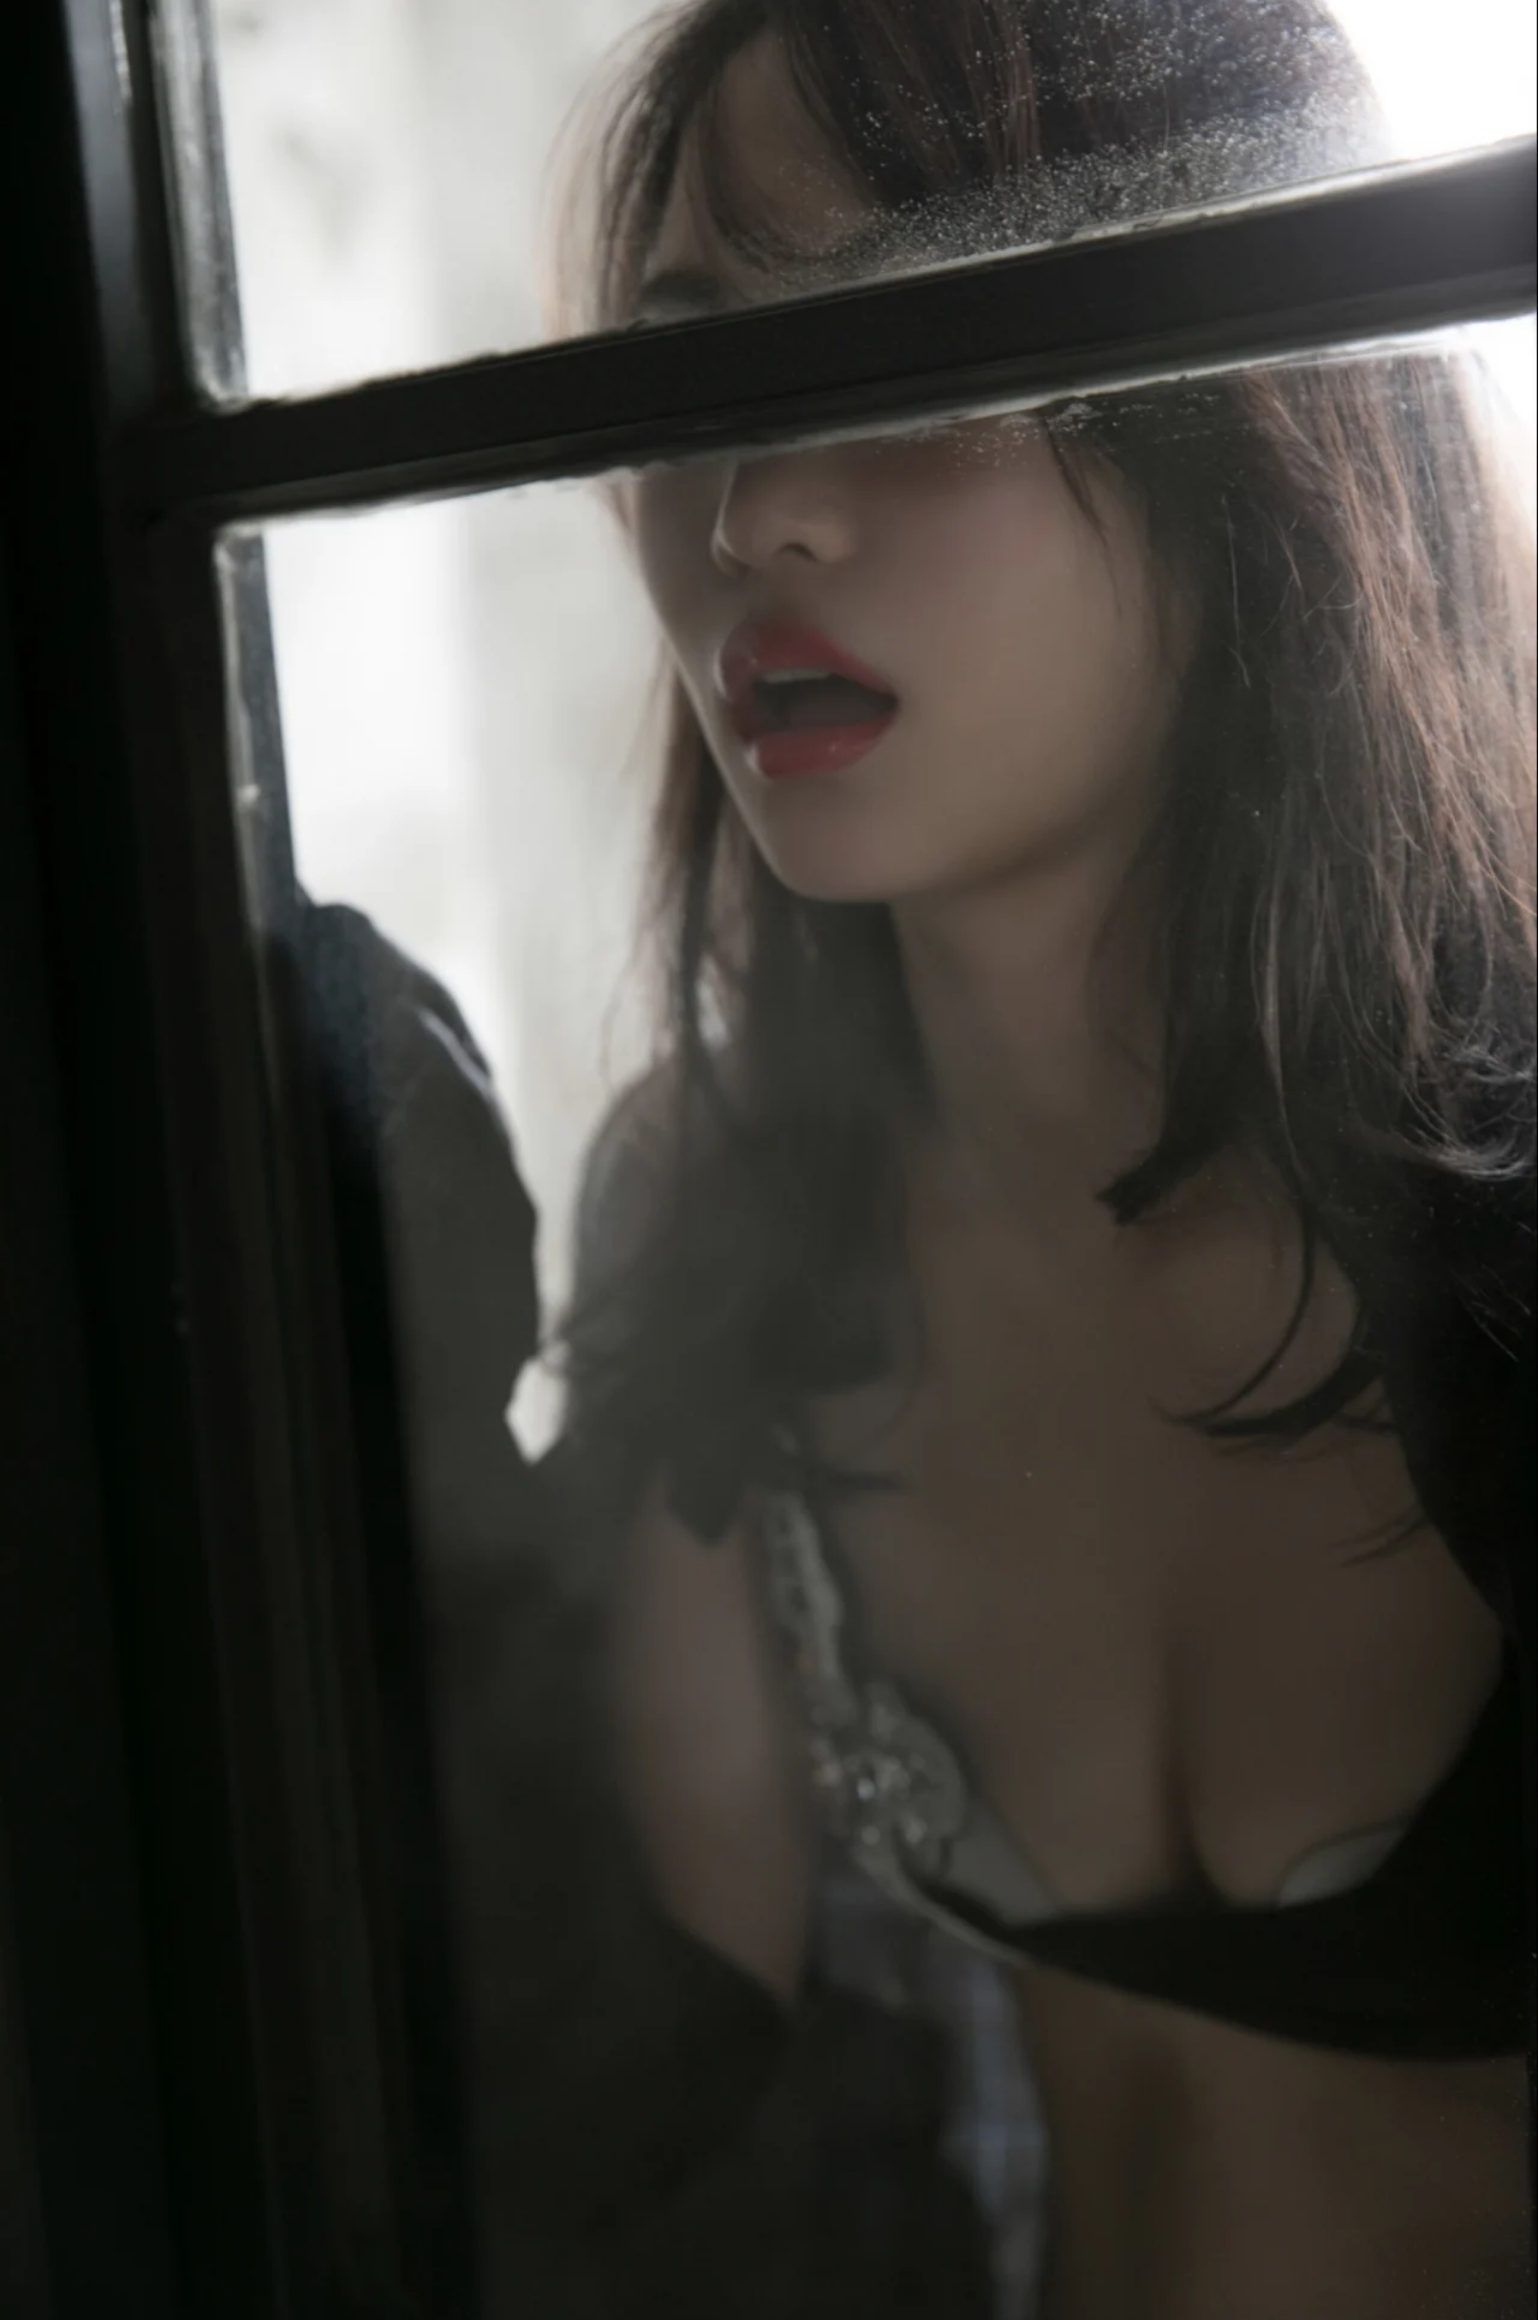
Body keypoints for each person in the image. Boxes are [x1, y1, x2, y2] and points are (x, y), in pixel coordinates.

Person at [545, 3, 1537, 2316]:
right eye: (694, 374)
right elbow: (673, 2105)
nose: (754, 511)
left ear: (1247, 413)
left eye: (920, 346)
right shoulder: (717, 1204)